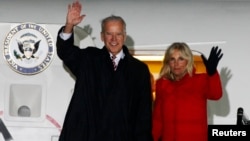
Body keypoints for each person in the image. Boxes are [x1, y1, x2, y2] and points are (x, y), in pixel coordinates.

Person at [56, 1, 153, 141]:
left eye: (118, 34)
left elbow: (143, 116)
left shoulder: (139, 70)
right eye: (109, 34)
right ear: (102, 37)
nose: (114, 39)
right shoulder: (89, 60)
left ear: (124, 37)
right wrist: (69, 25)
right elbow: (65, 52)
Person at [152, 42, 223, 141]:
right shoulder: (162, 85)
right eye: (172, 59)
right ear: (168, 62)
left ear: (188, 61)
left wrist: (212, 73)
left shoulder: (200, 80)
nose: (176, 64)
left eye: (181, 59)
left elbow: (216, 95)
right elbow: (158, 119)